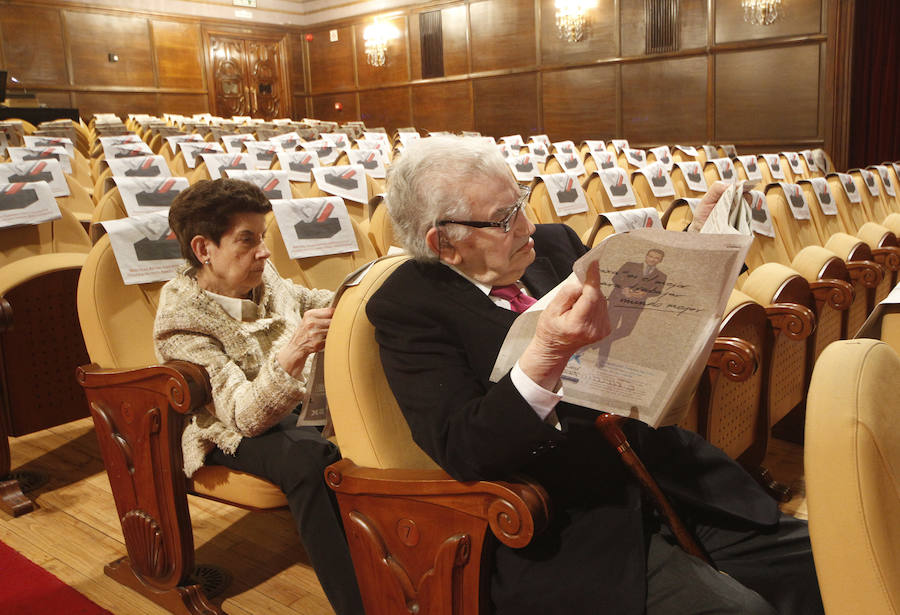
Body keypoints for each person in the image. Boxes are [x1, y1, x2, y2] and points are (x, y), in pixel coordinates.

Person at [367, 135, 823, 615]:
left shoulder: (554, 245)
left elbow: (640, 312)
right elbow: (463, 447)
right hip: (572, 521)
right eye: (506, 220)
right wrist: (548, 353)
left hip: (667, 472)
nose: (530, 225)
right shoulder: (408, 306)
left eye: (520, 203)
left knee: (821, 564)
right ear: (446, 244)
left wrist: (701, 247)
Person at [153, 178, 364, 615]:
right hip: (223, 432)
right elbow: (243, 417)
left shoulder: (259, 273)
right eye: (246, 241)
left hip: (289, 403)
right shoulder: (182, 322)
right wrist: (295, 349)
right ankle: (361, 602)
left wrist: (358, 299)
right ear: (203, 249)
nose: (264, 252)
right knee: (309, 457)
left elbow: (303, 299)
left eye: (262, 238)